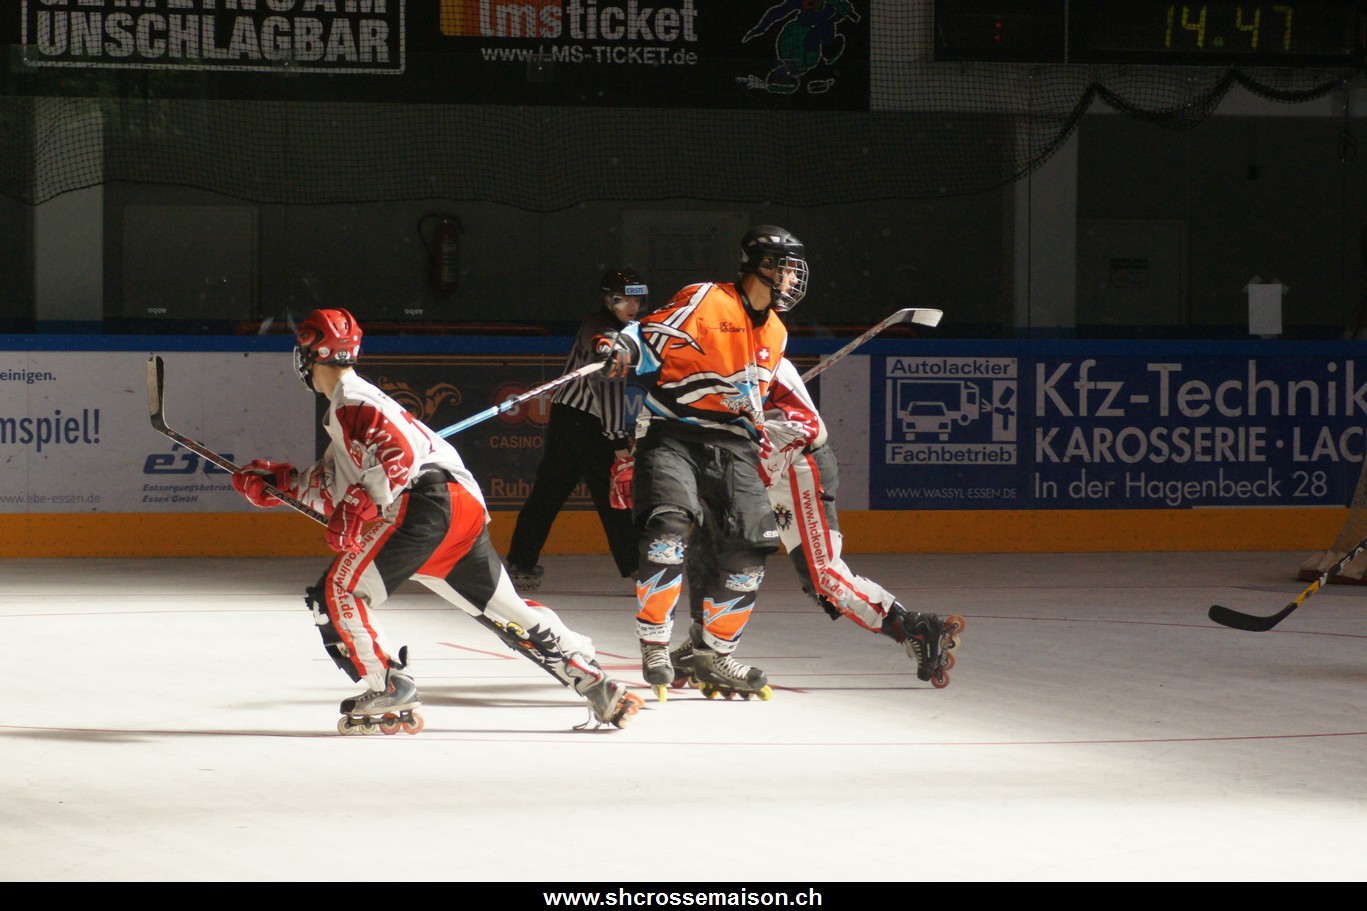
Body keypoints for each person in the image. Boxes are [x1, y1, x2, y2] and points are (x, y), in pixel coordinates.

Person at [230, 309, 644, 733]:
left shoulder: (353, 400)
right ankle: (590, 676)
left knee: (337, 591)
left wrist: (359, 503)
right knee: (505, 611)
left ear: (309, 354)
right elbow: (334, 486)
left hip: (427, 505)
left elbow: (399, 456)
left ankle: (388, 683)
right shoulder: (347, 407)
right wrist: (280, 486)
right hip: (457, 508)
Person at [596, 225, 816, 702]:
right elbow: (647, 336)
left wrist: (764, 421)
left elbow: (749, 395)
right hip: (673, 433)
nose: (794, 278)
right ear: (762, 266)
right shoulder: (706, 298)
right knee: (668, 527)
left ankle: (715, 654)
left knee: (752, 546)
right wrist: (621, 350)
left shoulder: (777, 331)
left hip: (734, 445)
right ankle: (655, 642)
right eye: (787, 267)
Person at [681, 357, 965, 688]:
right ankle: (705, 639)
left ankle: (913, 626)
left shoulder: (758, 357)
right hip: (764, 463)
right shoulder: (712, 358)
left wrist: (747, 441)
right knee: (706, 540)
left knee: (822, 577)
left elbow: (807, 427)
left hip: (798, 467)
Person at [505, 270, 647, 592]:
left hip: (568, 416)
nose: (633, 306)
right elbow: (606, 388)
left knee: (550, 491)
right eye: (624, 300)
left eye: (637, 300)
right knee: (612, 496)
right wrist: (617, 441)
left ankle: (520, 561)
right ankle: (638, 568)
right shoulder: (602, 329)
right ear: (609, 300)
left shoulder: (615, 327)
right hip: (587, 421)